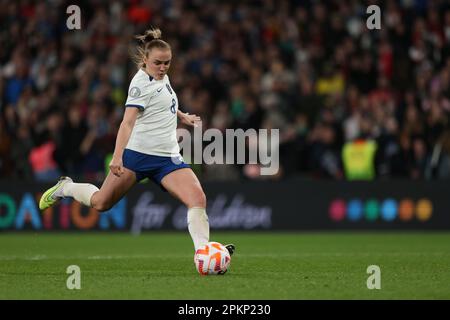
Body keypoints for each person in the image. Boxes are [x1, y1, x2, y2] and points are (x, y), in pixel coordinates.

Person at [39, 28, 234, 257]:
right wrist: (118, 156)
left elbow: (163, 101)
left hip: (167, 158)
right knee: (101, 203)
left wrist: (181, 115)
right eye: (158, 63)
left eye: (167, 63)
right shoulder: (139, 85)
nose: (163, 68)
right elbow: (127, 123)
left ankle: (203, 253)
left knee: (197, 198)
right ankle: (66, 187)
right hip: (137, 156)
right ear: (145, 60)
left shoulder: (162, 76)